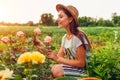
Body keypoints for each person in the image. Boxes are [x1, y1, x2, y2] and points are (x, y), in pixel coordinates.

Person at [34, 4, 91, 79]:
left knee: (57, 70)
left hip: (82, 72)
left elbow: (81, 63)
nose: (57, 19)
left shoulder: (79, 36)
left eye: (61, 17)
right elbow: (58, 58)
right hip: (72, 69)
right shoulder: (65, 38)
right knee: (54, 68)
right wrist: (43, 48)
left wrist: (58, 59)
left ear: (70, 19)